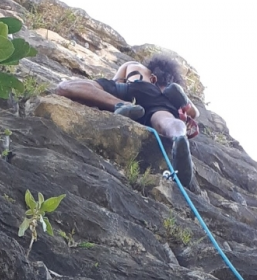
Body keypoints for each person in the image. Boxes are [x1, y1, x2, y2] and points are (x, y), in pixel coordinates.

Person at [55, 56, 198, 187]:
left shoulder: (135, 66)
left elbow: (116, 81)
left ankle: (121, 104)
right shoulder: (166, 86)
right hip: (161, 101)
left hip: (133, 87)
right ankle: (179, 136)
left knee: (66, 86)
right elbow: (194, 113)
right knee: (166, 121)